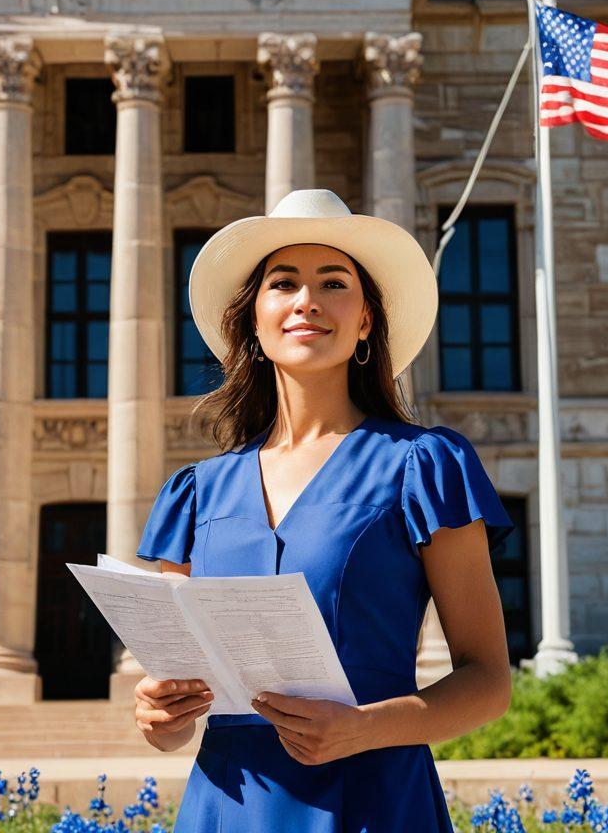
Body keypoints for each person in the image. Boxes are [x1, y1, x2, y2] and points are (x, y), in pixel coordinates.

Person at [133, 187, 515, 832]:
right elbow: (179, 707)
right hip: (228, 805)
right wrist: (158, 716)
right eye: (283, 283)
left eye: (333, 283)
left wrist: (364, 728)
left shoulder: (424, 464)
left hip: (374, 798)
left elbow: (488, 682)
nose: (307, 300)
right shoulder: (196, 491)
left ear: (367, 319)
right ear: (253, 319)